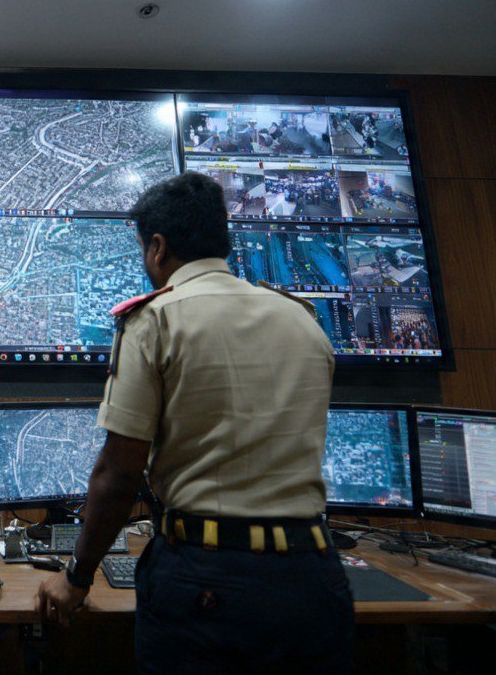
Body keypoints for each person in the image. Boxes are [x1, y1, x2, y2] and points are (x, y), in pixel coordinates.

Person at [34, 172, 352, 674]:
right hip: (312, 573)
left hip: (208, 579)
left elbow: (120, 473)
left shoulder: (155, 321)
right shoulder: (302, 321)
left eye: (144, 250)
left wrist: (77, 576)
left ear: (158, 247)